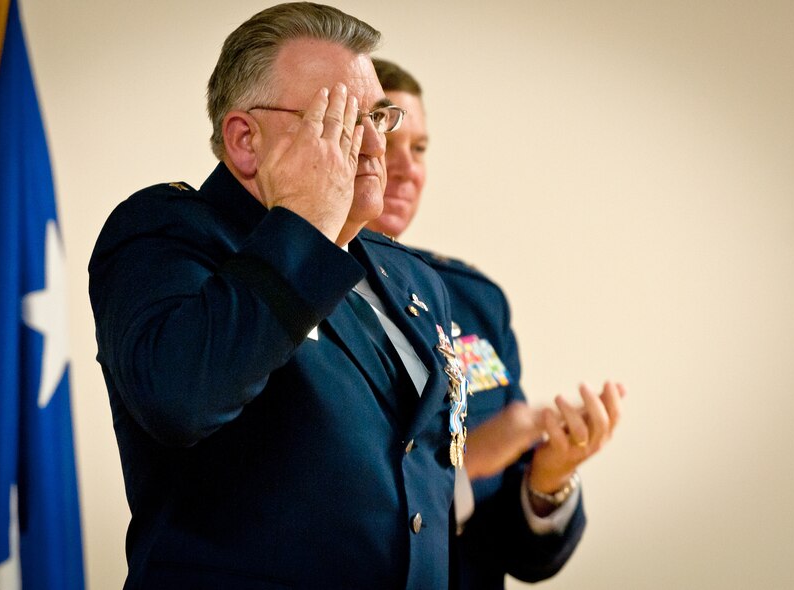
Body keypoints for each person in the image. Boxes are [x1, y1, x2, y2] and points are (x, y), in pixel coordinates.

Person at [88, 5, 470, 588]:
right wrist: (304, 222)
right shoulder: (167, 233)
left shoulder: (414, 279)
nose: (376, 147)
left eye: (378, 117)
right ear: (245, 141)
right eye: (339, 120)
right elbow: (182, 396)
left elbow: (421, 489)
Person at [369, 58, 625, 589]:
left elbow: (520, 553)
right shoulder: (288, 299)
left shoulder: (472, 300)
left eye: (418, 149)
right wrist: (462, 470)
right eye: (386, 139)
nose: (406, 167)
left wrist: (549, 477)